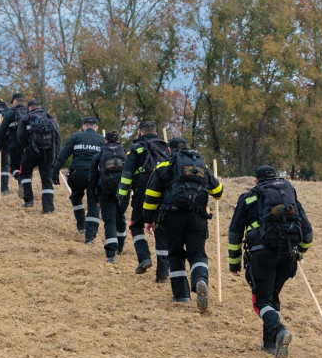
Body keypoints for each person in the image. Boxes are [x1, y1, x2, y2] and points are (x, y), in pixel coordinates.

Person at [228, 165, 312, 357]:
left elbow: (234, 234)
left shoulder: (247, 197)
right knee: (272, 296)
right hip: (288, 256)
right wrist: (300, 252)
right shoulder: (289, 196)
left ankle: (280, 330)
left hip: (262, 256)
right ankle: (270, 344)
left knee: (260, 301)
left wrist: (234, 263)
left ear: (256, 181)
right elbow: (308, 234)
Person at [142, 137, 224, 309]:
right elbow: (218, 192)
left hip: (172, 216)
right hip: (198, 216)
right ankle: (200, 280)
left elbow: (151, 195)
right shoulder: (200, 165)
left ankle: (181, 295)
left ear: (169, 150)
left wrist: (148, 220)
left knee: (176, 254)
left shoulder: (164, 165)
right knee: (198, 253)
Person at [118, 121, 171, 279]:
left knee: (136, 225)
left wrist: (122, 197)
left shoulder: (136, 149)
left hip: (142, 191)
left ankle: (144, 258)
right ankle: (162, 274)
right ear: (155, 133)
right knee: (161, 229)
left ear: (141, 133)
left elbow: (127, 176)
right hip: (163, 194)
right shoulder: (166, 148)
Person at [55, 117, 107, 234]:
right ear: (96, 127)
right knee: (93, 203)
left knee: (76, 197)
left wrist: (55, 171)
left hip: (77, 174)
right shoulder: (102, 140)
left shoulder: (76, 137)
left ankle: (81, 225)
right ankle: (90, 235)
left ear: (84, 127)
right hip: (95, 176)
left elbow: (63, 155)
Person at [88, 137, 128, 261]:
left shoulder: (99, 155)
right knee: (120, 217)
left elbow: (91, 179)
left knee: (110, 221)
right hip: (122, 192)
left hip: (105, 192)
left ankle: (111, 255)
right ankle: (120, 247)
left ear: (105, 141)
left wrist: (95, 197)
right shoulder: (125, 154)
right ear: (118, 141)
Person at [17, 99, 60, 213]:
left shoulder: (26, 118)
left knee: (25, 172)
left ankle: (28, 200)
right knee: (46, 179)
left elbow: (20, 135)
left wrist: (27, 146)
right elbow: (57, 137)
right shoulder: (49, 117)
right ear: (40, 106)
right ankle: (48, 208)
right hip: (48, 151)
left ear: (30, 108)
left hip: (32, 149)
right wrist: (56, 155)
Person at [2, 93, 27, 195]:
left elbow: (2, 131)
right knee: (26, 169)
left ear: (15, 101)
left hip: (15, 144)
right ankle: (27, 193)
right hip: (29, 146)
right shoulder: (29, 112)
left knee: (14, 168)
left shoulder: (10, 113)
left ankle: (21, 181)